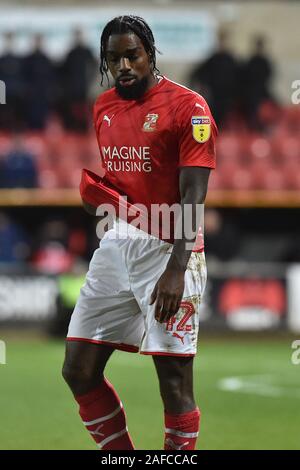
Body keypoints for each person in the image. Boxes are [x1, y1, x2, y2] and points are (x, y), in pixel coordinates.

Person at [62, 15, 217, 451]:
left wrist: (176, 269)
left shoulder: (190, 108)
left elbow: (193, 196)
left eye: (133, 54)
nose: (124, 65)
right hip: (118, 242)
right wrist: (100, 199)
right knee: (78, 369)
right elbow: (123, 180)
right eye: (114, 58)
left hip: (172, 249)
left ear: (150, 51)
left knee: (172, 381)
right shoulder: (104, 106)